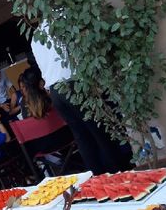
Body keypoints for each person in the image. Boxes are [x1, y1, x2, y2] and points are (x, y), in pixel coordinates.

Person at [31, 22, 122, 175]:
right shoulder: (64, 19)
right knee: (100, 132)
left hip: (55, 90)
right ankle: (118, 175)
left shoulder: (35, 36)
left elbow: (43, 68)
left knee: (82, 137)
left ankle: (98, 179)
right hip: (73, 84)